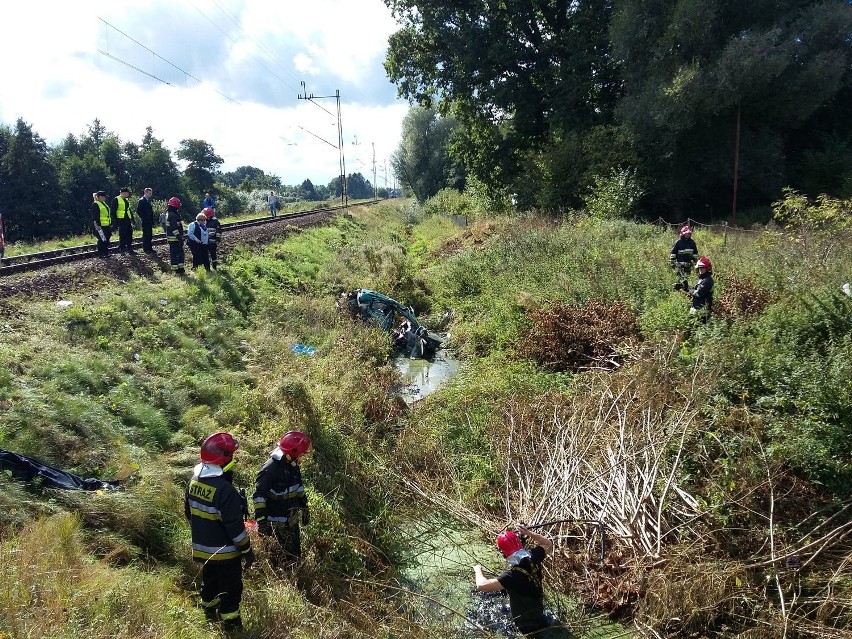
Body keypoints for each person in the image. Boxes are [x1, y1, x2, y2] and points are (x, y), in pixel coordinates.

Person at [184, 432, 254, 634]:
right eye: (231, 455)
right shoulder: (225, 490)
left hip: (203, 551)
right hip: (226, 554)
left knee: (209, 584)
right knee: (230, 591)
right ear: (224, 459)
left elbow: (189, 513)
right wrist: (247, 550)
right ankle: (232, 628)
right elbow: (235, 528)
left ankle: (208, 616)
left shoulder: (193, 482)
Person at [473, 524, 557, 637]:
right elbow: (547, 543)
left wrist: (477, 570)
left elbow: (482, 586)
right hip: (538, 612)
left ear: (504, 553)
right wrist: (529, 533)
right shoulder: (533, 556)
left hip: (525, 625)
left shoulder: (512, 576)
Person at [253, 431, 311, 566]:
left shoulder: (292, 464)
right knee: (278, 563)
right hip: (275, 526)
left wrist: (304, 506)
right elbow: (259, 496)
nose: (302, 457)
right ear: (293, 452)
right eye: (301, 454)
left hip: (291, 523)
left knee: (295, 560)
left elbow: (299, 488)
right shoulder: (270, 469)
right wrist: (261, 522)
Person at [670, 225, 698, 290]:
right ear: (683, 233)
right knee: (682, 279)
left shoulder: (692, 242)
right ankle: (680, 289)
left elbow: (695, 253)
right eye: (686, 233)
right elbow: (673, 253)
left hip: (688, 264)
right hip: (679, 265)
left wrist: (695, 261)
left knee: (686, 277)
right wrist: (673, 263)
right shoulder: (678, 242)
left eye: (689, 233)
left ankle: (681, 290)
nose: (688, 235)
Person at [688, 256, 714, 322]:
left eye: (702, 267)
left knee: (699, 328)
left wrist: (687, 289)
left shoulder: (707, 280)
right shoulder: (702, 279)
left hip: (702, 310)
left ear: (707, 268)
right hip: (696, 308)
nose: (700, 269)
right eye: (699, 268)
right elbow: (694, 290)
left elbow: (698, 293)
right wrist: (683, 287)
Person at [111, 187, 135, 254]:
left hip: (127, 219)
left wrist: (132, 218)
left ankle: (129, 248)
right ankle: (122, 249)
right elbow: (113, 211)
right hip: (121, 220)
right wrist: (115, 221)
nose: (128, 194)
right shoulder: (116, 199)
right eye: (127, 193)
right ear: (123, 193)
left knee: (129, 234)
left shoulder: (126, 200)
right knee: (123, 235)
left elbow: (128, 210)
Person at [164, 197, 185, 274]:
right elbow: (174, 229)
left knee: (178, 253)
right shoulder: (173, 215)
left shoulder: (170, 214)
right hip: (175, 239)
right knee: (177, 254)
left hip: (173, 238)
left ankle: (180, 268)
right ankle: (177, 270)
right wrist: (179, 238)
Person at [92, 190, 112, 258]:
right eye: (103, 197)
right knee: (102, 239)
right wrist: (98, 225)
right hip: (100, 225)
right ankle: (101, 254)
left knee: (106, 239)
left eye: (105, 197)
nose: (104, 198)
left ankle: (106, 253)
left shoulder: (104, 204)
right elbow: (96, 216)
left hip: (106, 225)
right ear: (99, 197)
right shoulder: (96, 204)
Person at [136, 187, 155, 253]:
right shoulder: (141, 200)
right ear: (145, 192)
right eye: (149, 193)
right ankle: (146, 249)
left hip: (149, 221)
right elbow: (139, 211)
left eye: (151, 193)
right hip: (145, 221)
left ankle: (150, 248)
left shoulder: (147, 200)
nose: (150, 194)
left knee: (149, 235)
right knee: (146, 235)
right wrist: (144, 218)